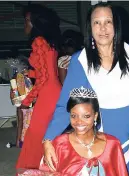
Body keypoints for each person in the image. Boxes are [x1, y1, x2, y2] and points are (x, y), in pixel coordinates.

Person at [43, 2, 129, 174]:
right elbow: (65, 104)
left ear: (116, 26)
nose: (103, 28)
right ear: (90, 28)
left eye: (108, 21)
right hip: (99, 136)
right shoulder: (80, 61)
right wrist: (48, 139)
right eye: (96, 22)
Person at [18, 87, 128, 175]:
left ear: (95, 116)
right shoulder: (60, 144)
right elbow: (46, 173)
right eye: (74, 116)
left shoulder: (112, 144)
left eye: (86, 116)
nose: (79, 122)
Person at [16, 3, 62, 169]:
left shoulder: (38, 41)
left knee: (36, 133)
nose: (25, 24)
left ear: (35, 22)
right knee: (49, 132)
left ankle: (36, 169)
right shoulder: (50, 42)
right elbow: (47, 71)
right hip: (54, 89)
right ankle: (50, 167)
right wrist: (29, 74)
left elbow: (43, 78)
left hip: (47, 92)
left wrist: (27, 100)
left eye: (27, 20)